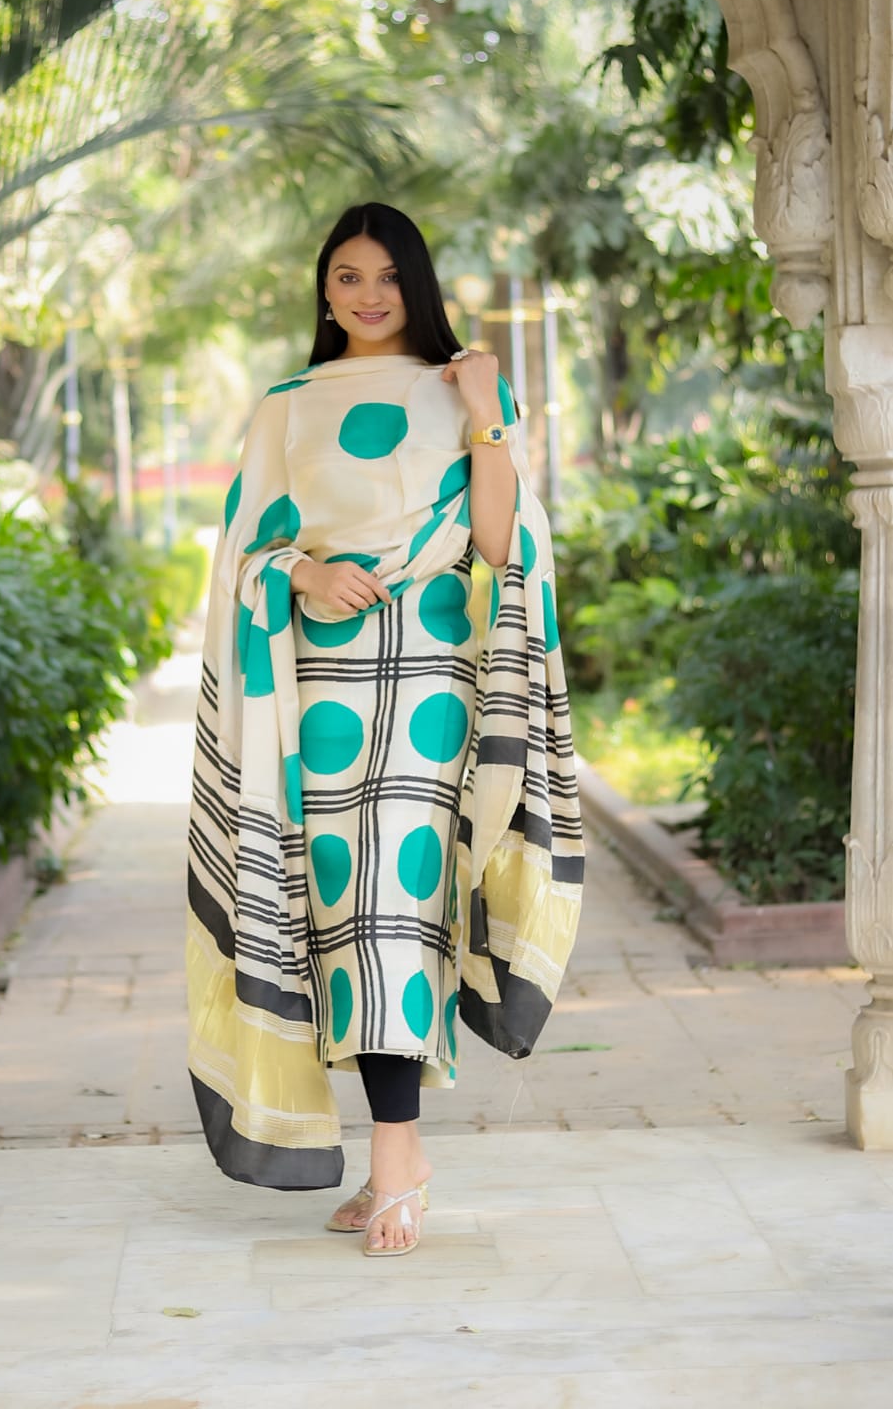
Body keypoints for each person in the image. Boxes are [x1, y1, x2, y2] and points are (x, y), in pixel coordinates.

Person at [185, 202, 584, 1258]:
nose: (368, 295)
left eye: (389, 276)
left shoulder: (462, 390)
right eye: (348, 276)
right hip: (319, 686)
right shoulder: (286, 408)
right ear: (324, 290)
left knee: (389, 907)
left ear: (418, 284)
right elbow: (244, 553)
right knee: (337, 908)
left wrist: (487, 410)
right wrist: (303, 572)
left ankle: (398, 1155)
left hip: (430, 681)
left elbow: (497, 540)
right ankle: (392, 1158)